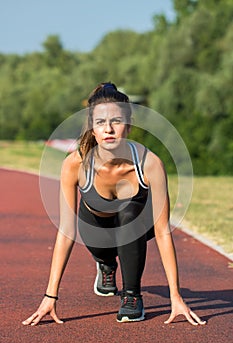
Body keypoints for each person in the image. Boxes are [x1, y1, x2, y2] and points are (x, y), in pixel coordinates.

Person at [22, 82, 206, 325]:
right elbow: (67, 231)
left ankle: (132, 297)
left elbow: (162, 231)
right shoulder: (75, 164)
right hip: (95, 229)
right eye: (100, 122)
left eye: (116, 121)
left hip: (136, 227)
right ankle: (107, 265)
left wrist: (176, 296)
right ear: (93, 128)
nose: (108, 129)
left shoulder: (149, 164)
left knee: (129, 212)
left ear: (128, 126)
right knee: (104, 247)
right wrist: (50, 296)